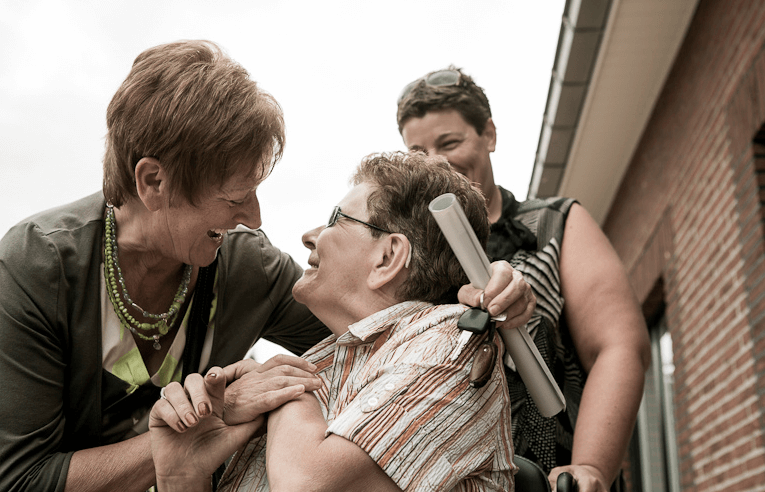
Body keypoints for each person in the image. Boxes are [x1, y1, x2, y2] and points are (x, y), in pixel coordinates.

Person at [0, 43, 533, 492]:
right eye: (235, 194)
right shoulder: (39, 264)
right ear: (154, 182)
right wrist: (207, 427)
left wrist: (492, 293)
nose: (254, 219)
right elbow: (19, 478)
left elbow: (397, 315)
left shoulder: (246, 268)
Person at [148, 151, 516, 492]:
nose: (309, 237)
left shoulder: (450, 347)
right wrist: (183, 475)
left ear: (388, 257)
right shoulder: (329, 356)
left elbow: (304, 484)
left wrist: (285, 387)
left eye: (335, 221)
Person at [395, 67, 652, 492]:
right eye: (418, 152)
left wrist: (589, 468)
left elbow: (619, 347)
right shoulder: (410, 257)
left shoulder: (554, 224)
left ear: (489, 135)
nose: (436, 162)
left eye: (450, 142)